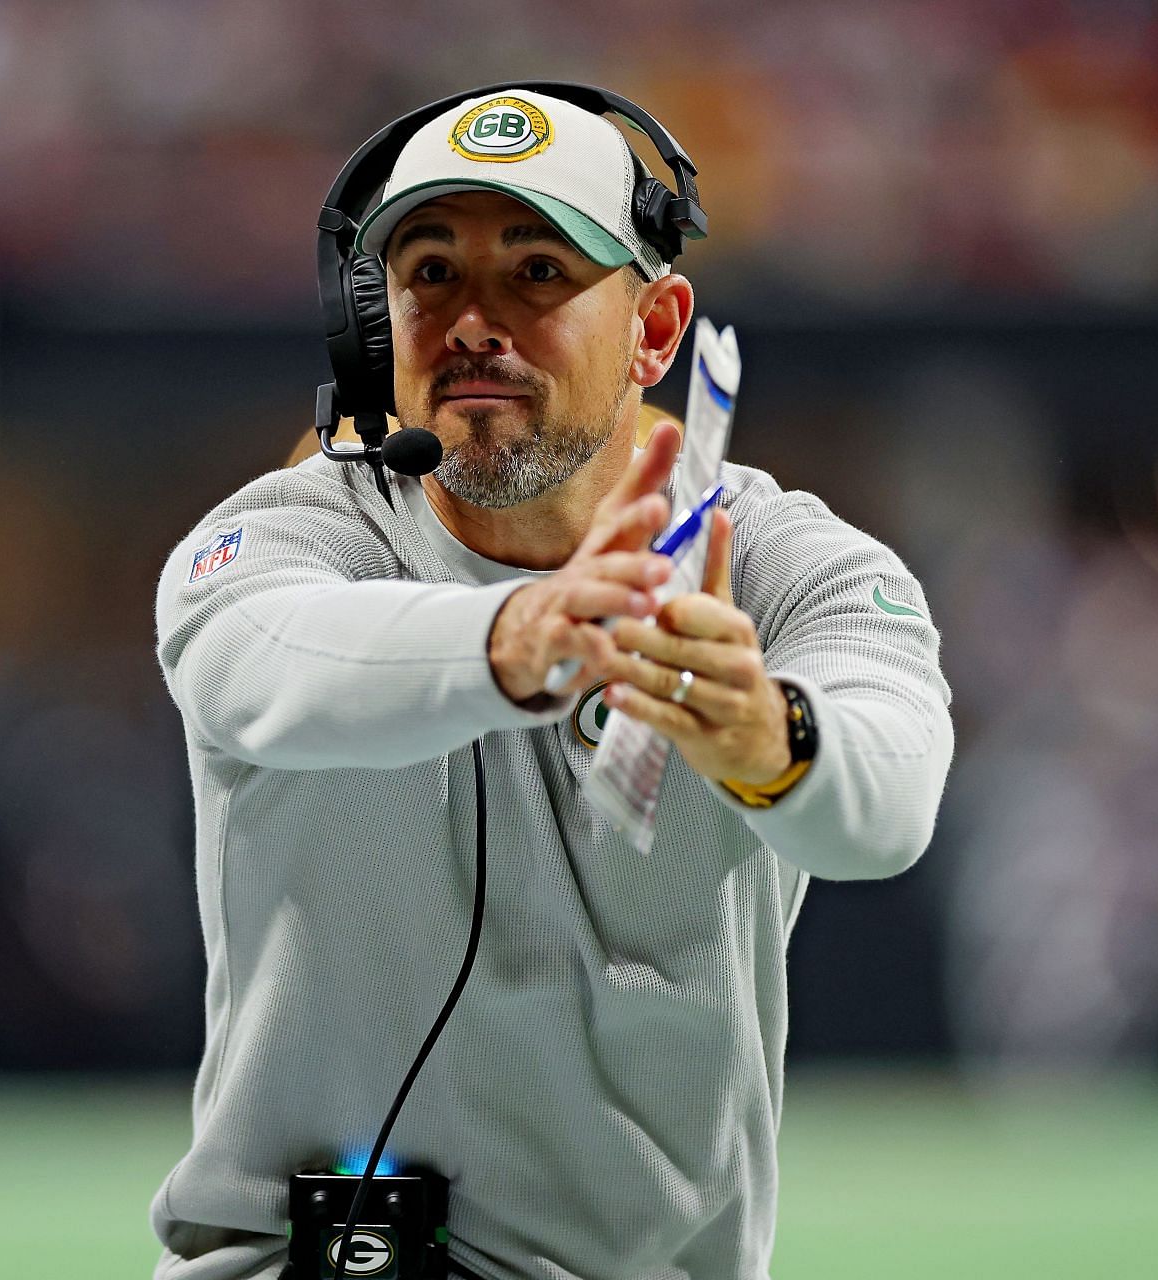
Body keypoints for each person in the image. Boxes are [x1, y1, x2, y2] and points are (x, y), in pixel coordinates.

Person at [152, 87, 954, 1280]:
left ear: (656, 326)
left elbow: (887, 804)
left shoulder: (788, 562)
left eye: (536, 271)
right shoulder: (283, 538)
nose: (473, 322)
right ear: (375, 325)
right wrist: (518, 638)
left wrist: (765, 737)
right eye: (429, 273)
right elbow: (259, 664)